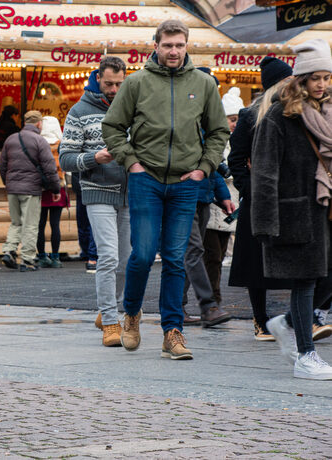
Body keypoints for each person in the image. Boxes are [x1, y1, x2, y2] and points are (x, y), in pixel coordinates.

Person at [102, 19, 230, 360]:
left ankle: (172, 332)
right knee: (142, 255)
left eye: (179, 45)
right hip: (146, 179)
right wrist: (131, 162)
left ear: (187, 46)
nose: (173, 51)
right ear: (155, 46)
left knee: (176, 258)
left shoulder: (203, 84)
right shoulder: (137, 83)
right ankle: (131, 314)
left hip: (186, 183)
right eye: (167, 45)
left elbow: (218, 131)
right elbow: (113, 126)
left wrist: (204, 168)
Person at [252, 39, 332, 379]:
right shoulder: (279, 116)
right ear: (300, 79)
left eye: (328, 77)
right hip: (296, 211)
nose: (323, 85)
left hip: (324, 208)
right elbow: (265, 171)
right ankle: (305, 355)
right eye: (316, 78)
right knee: (305, 282)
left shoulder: (329, 113)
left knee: (322, 280)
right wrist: (266, 222)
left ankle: (286, 322)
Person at [59, 56, 130, 347]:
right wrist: (94, 157)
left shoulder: (132, 107)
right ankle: (112, 322)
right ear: (98, 78)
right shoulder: (79, 110)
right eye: (109, 83)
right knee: (109, 257)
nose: (114, 89)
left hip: (130, 192)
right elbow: (65, 158)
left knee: (127, 262)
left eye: (119, 84)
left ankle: (108, 308)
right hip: (97, 190)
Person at [228, 58, 294, 340]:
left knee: (297, 258)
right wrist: (249, 188)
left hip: (291, 196)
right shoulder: (250, 115)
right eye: (286, 80)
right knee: (256, 261)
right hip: (259, 197)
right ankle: (259, 319)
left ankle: (301, 318)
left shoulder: (296, 111)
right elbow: (236, 158)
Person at [180, 71, 235, 328]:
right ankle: (208, 306)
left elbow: (213, 166)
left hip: (202, 196)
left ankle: (177, 306)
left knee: (190, 253)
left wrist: (223, 197)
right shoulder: (186, 118)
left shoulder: (208, 123)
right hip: (183, 193)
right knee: (194, 251)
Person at [0, 110, 60, 272]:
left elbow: (2, 165)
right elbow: (50, 168)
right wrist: (55, 188)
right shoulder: (40, 141)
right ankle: (27, 258)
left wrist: (9, 184)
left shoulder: (10, 139)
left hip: (12, 189)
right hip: (31, 189)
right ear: (39, 124)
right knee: (31, 224)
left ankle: (9, 250)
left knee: (16, 222)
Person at [201, 87, 243, 307]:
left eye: (238, 119)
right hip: (213, 202)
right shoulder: (215, 141)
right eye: (232, 119)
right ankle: (211, 299)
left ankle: (213, 299)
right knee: (212, 256)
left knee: (216, 257)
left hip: (229, 206)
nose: (235, 124)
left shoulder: (240, 141)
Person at [36, 116, 69, 268]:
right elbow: (67, 167)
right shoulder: (62, 145)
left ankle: (42, 255)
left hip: (40, 188)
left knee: (40, 224)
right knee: (55, 224)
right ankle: (56, 257)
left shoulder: (37, 143)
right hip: (58, 186)